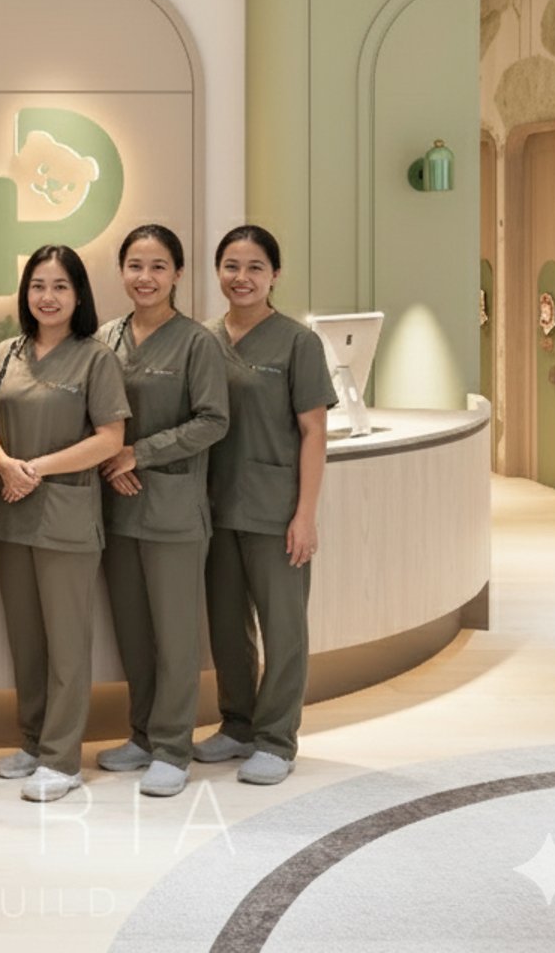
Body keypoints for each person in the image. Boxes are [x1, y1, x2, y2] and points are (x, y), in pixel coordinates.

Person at [0, 245, 131, 803]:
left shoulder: (95, 358)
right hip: (13, 514)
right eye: (38, 285)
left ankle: (63, 760)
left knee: (68, 642)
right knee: (27, 640)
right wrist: (4, 465)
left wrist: (34, 468)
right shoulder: (6, 352)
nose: (47, 296)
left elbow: (110, 440)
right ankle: (33, 742)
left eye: (60, 286)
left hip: (66, 514)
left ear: (79, 295)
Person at [197, 225, 337, 786]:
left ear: (274, 275)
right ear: (217, 272)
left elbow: (314, 432)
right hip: (212, 507)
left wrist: (305, 514)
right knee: (228, 627)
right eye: (231, 266)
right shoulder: (202, 339)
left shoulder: (298, 343)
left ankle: (277, 739)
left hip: (275, 510)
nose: (242, 278)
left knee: (283, 629)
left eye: (255, 267)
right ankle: (238, 724)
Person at [93, 225, 229, 798]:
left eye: (156, 266)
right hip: (115, 511)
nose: (144, 277)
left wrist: (137, 454)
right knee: (133, 630)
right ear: (120, 272)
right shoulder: (104, 338)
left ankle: (174, 747)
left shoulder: (197, 343)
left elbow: (213, 420)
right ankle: (144, 734)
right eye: (133, 266)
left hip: (172, 510)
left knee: (175, 636)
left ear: (177, 274)